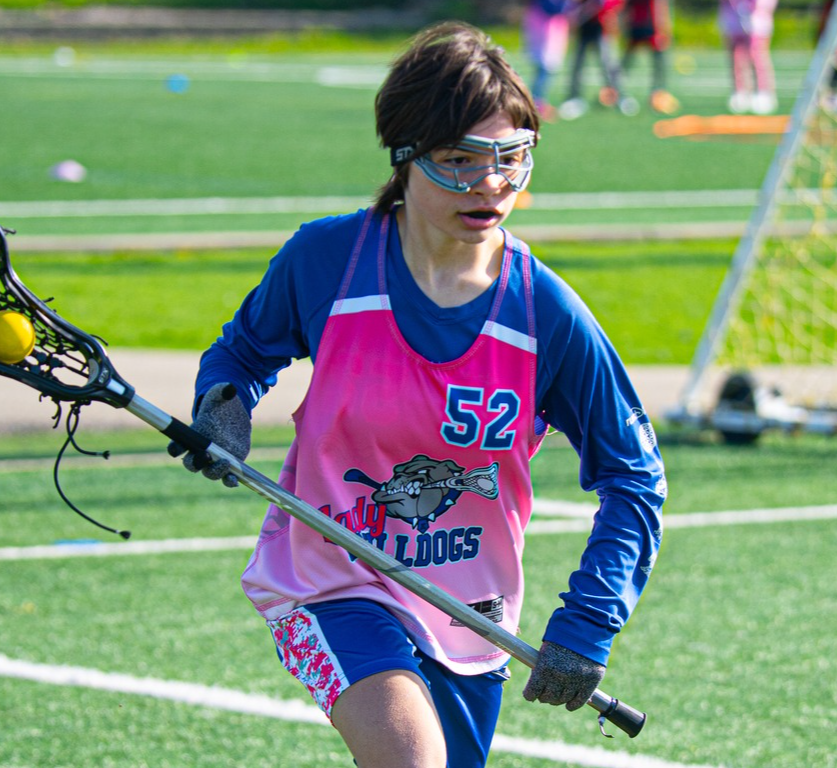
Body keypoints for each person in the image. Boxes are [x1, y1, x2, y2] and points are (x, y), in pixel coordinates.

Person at [173, 22, 666, 768]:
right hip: (329, 578)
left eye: (510, 158)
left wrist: (589, 623)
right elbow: (241, 354)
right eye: (460, 161)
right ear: (404, 157)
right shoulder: (326, 261)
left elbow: (633, 476)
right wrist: (224, 408)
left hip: (471, 612)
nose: (490, 184)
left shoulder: (547, 312)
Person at [559, 0, 636, 119]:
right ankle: (574, 97)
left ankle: (620, 96)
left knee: (608, 64)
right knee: (577, 65)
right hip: (583, 27)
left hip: (601, 27)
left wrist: (604, 5)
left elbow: (616, 3)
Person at [719, 0, 779, 114]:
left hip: (757, 19)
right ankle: (741, 91)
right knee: (737, 55)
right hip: (734, 18)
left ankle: (764, 92)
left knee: (757, 55)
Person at [620, 0, 680, 114]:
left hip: (641, 24)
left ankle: (657, 95)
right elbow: (659, 5)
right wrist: (663, 28)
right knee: (657, 64)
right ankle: (617, 92)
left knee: (656, 62)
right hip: (646, 24)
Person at [523, 0, 572, 120]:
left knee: (545, 70)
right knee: (544, 70)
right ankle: (536, 103)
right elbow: (553, 9)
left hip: (550, 30)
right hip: (544, 31)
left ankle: (536, 102)